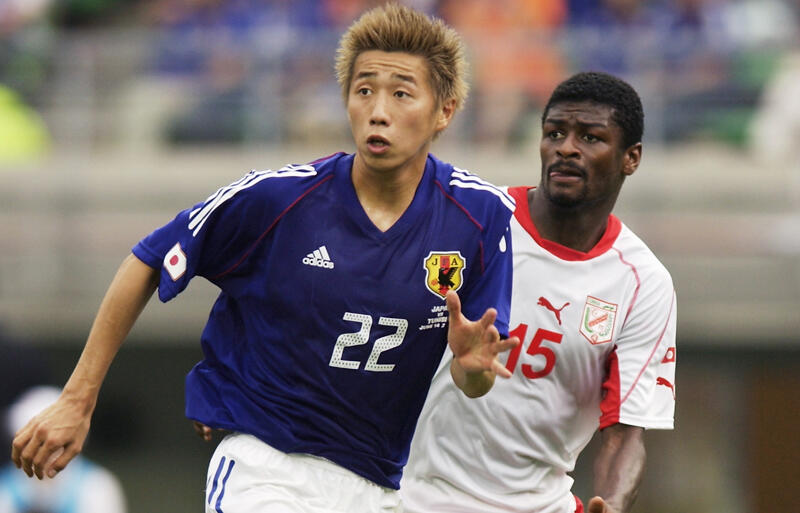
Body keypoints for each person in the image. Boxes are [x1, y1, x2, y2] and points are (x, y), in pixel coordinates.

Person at [10, 4, 518, 513]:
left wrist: (472, 370)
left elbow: (474, 378)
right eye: (364, 90)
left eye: (401, 93)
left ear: (444, 111)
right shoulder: (278, 199)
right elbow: (149, 259)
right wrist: (77, 399)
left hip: (378, 488)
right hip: (268, 468)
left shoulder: (481, 217)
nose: (378, 110)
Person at [401, 71, 677, 513]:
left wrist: (611, 504)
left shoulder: (643, 283)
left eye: (590, 137)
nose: (566, 148)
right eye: (555, 133)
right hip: (416, 497)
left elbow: (626, 433)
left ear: (631, 158)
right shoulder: (476, 223)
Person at [1, 387, 127, 513]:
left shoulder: (98, 486)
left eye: (53, 445)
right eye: (32, 443)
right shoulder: (4, 489)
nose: (43, 452)